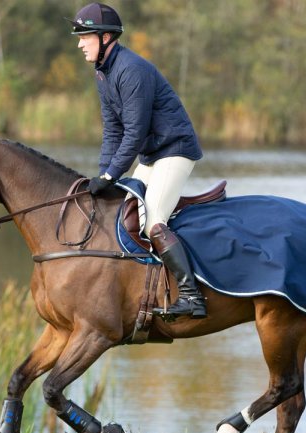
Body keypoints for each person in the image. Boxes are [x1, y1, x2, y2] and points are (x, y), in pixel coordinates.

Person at [66, 3, 206, 319]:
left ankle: (191, 296)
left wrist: (112, 174)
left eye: (84, 36)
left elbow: (134, 131)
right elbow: (112, 129)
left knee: (153, 220)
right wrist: (104, 174)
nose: (79, 43)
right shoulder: (103, 73)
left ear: (105, 38)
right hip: (152, 154)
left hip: (175, 150)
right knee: (124, 213)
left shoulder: (131, 70)